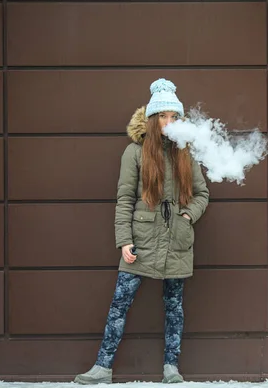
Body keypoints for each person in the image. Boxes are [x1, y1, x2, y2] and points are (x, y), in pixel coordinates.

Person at [74, 78, 210, 385]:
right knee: (119, 303)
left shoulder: (185, 153)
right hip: (141, 240)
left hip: (177, 239)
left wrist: (188, 216)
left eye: (174, 117)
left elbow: (202, 193)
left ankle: (171, 369)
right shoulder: (134, 153)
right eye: (163, 116)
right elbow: (124, 199)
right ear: (152, 118)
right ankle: (102, 367)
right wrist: (124, 240)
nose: (169, 122)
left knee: (174, 307)